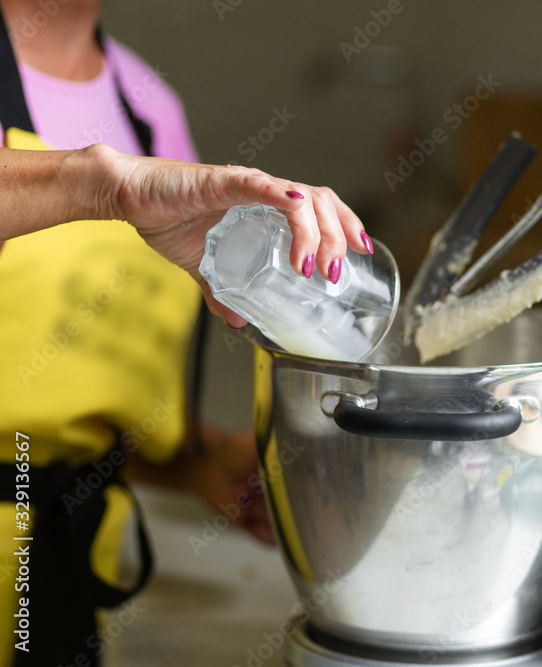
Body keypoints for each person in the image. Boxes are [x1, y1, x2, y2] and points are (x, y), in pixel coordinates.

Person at [0, 1, 369, 664]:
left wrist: (195, 462)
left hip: (64, 563)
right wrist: (102, 184)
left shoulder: (147, 107)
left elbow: (71, 404)